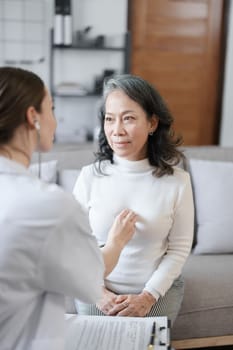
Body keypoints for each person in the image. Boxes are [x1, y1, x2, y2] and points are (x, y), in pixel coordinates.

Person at [0, 67, 138, 350]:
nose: (55, 119)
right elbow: (89, 282)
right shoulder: (48, 205)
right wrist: (116, 241)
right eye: (51, 108)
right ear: (32, 117)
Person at [73, 74, 194, 324]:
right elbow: (73, 245)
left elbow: (179, 249)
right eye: (109, 119)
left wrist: (148, 297)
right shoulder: (89, 177)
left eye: (128, 118)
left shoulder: (177, 181)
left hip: (155, 292)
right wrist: (98, 294)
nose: (116, 130)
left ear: (152, 123)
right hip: (96, 291)